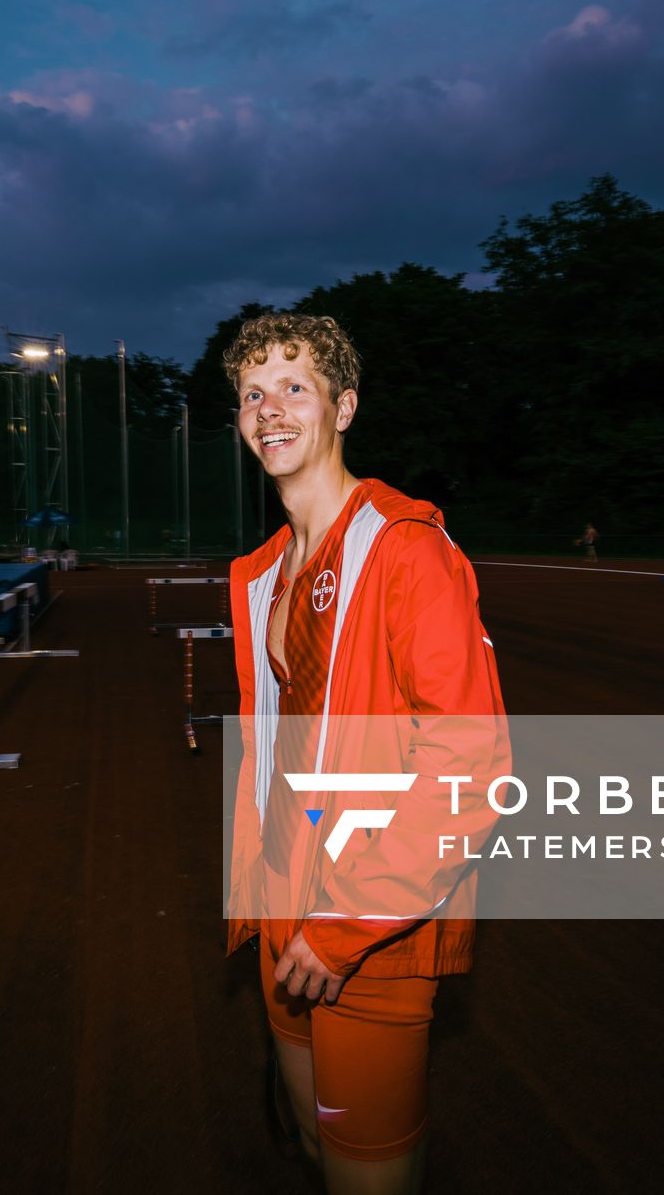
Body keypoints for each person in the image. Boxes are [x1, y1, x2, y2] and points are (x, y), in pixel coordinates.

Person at [224, 314, 507, 1193]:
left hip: (369, 931)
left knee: (367, 1177)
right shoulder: (265, 568)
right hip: (283, 908)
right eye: (252, 395)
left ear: (343, 407)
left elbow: (470, 768)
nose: (270, 410)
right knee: (315, 1145)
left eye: (293, 387)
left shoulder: (405, 549)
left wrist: (346, 926)